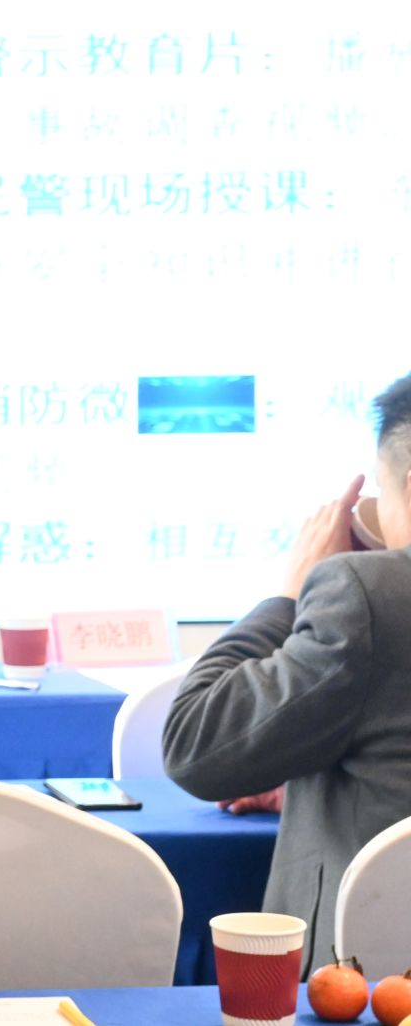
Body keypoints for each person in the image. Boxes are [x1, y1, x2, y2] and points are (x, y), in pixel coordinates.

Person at [164, 371, 411, 968]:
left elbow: (195, 746)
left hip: (377, 982)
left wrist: (289, 594)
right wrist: (319, 788)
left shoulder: (369, 594)